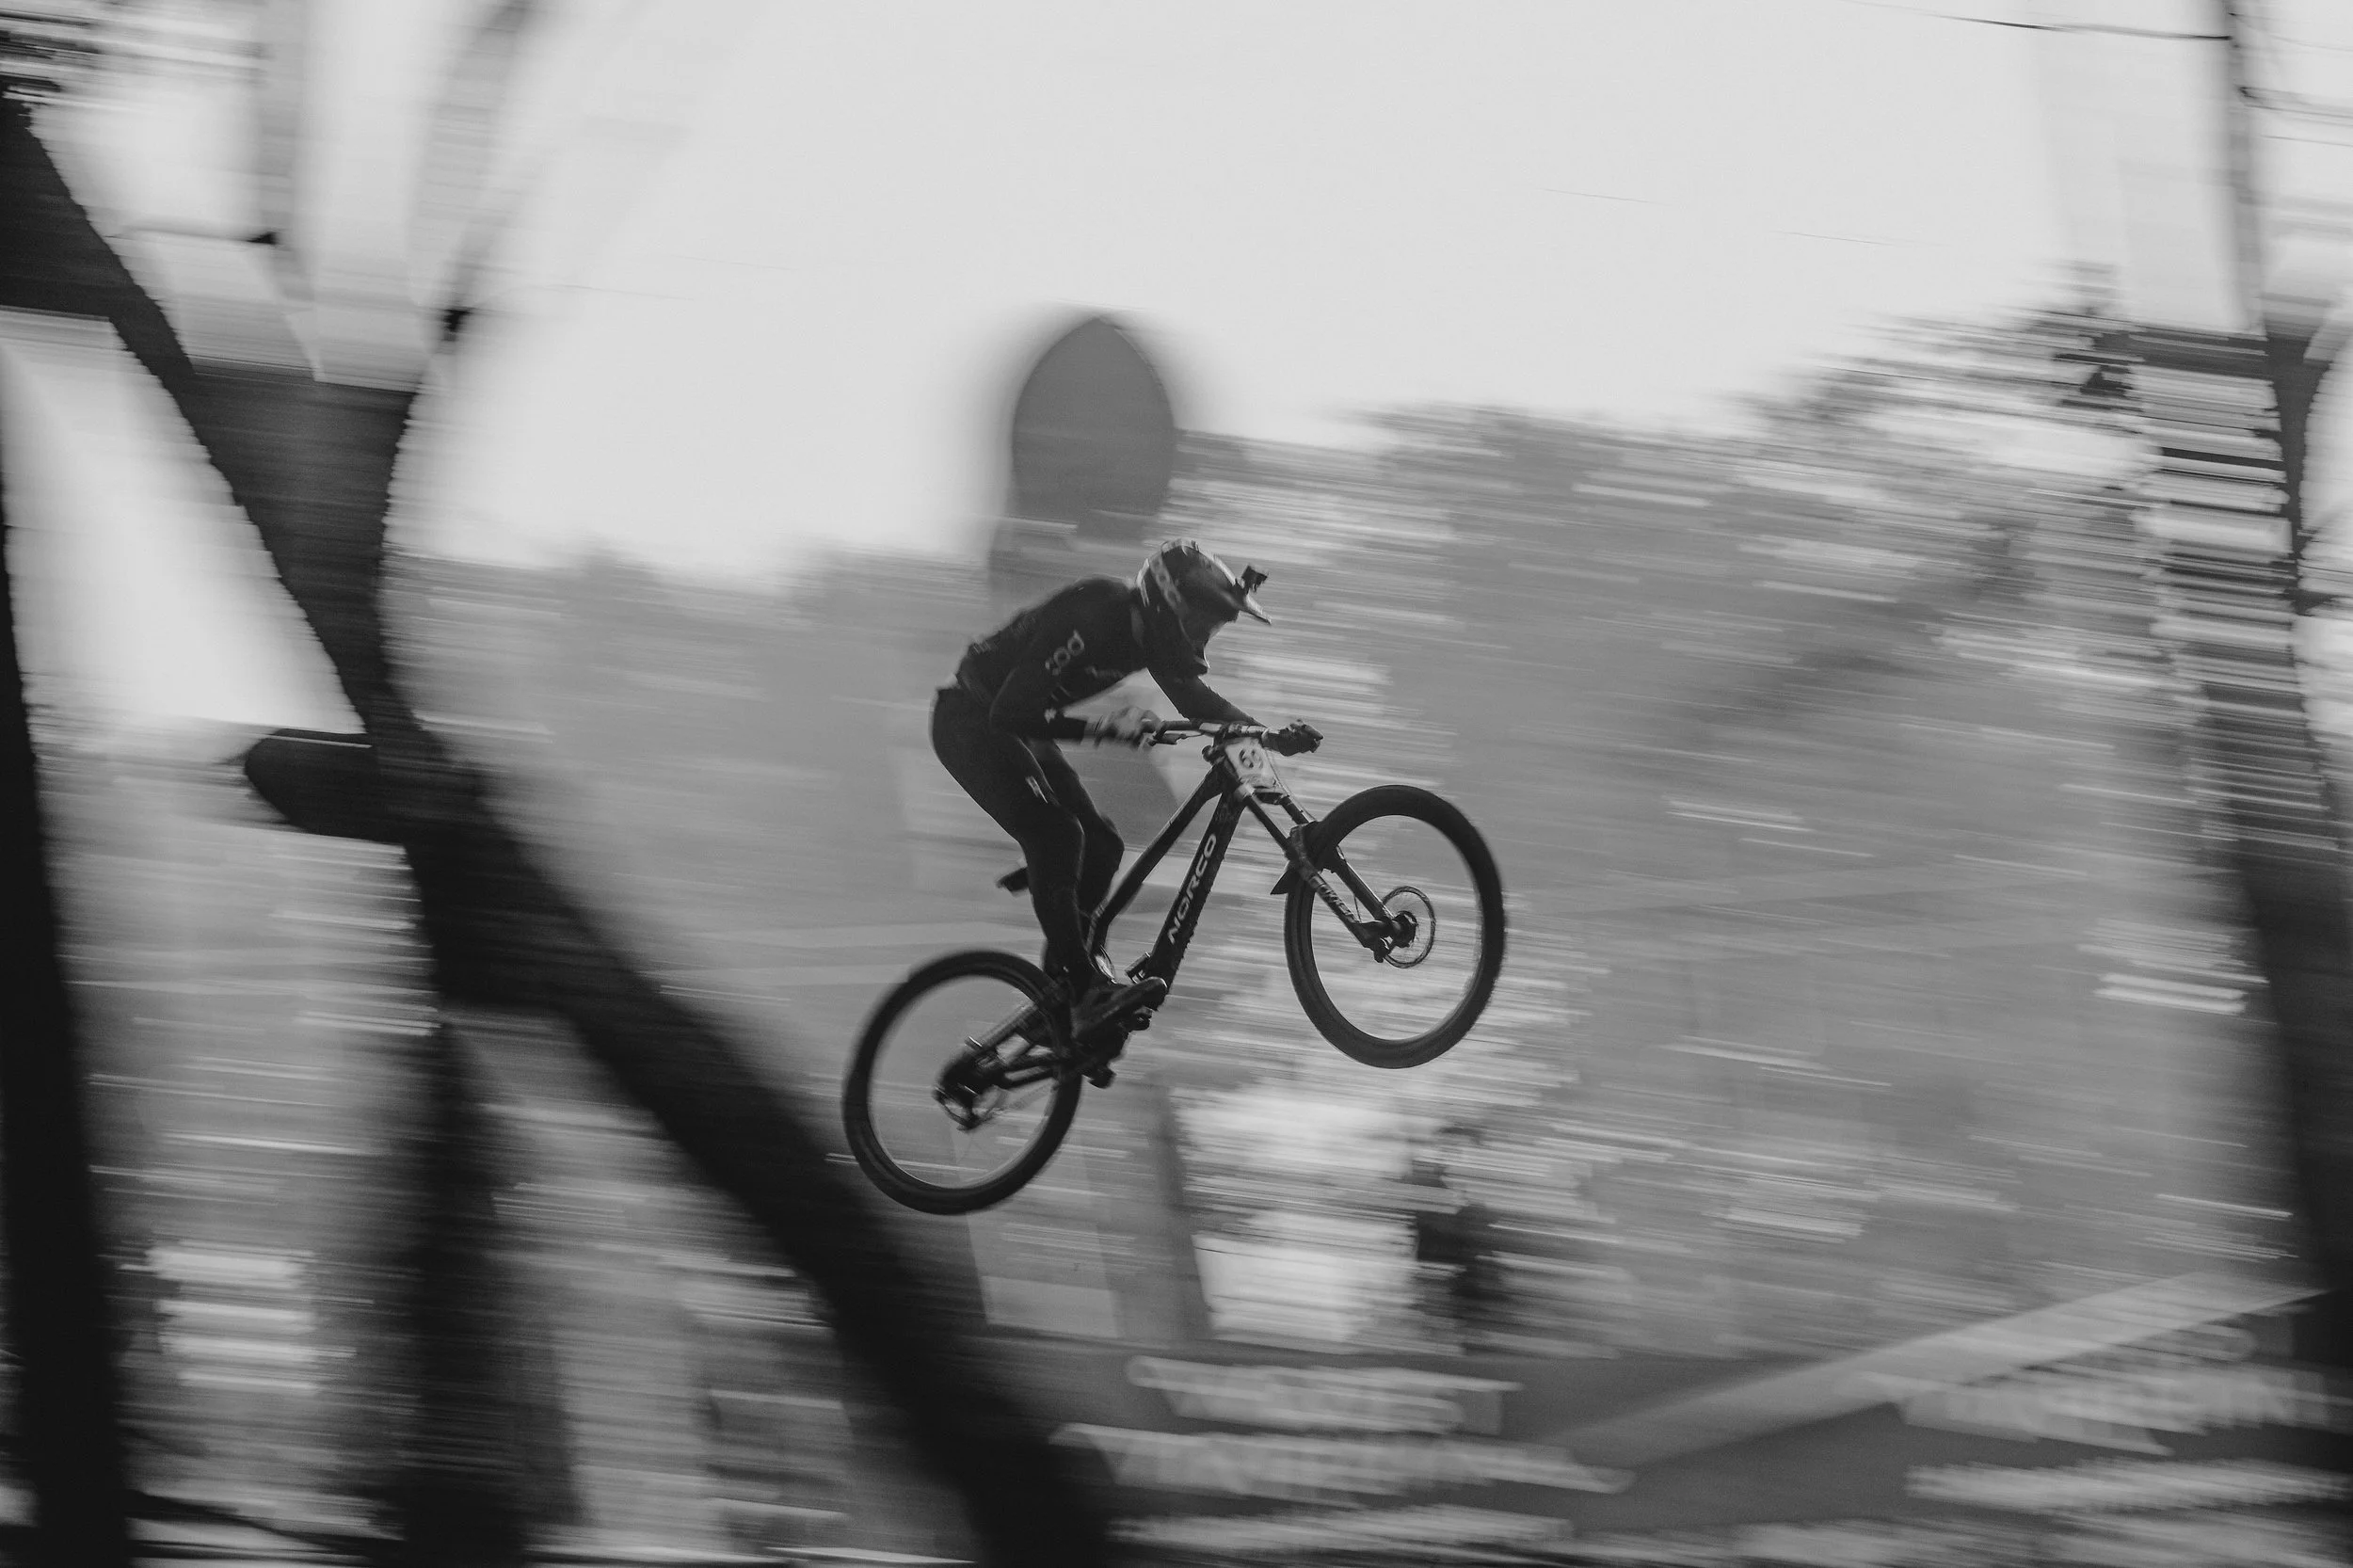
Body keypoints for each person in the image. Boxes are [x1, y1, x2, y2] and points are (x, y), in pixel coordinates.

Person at [933, 538, 1318, 1017]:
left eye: (1212, 631)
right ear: (1168, 605)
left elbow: (1202, 705)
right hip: (970, 722)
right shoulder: (1095, 612)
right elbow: (1008, 713)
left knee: (1104, 845)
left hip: (1017, 731)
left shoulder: (1149, 640)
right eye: (1200, 625)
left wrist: (1271, 737)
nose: (1200, 642)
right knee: (1059, 835)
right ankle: (1083, 986)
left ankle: (1059, 999)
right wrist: (1104, 728)